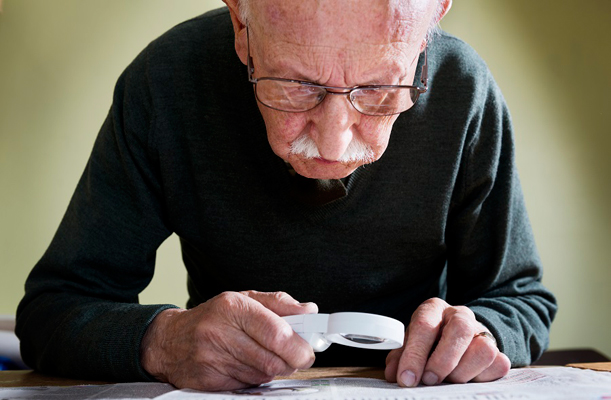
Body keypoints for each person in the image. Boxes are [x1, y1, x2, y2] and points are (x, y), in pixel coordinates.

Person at [16, 0, 557, 392]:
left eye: (378, 89)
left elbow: (522, 301)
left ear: (431, 23)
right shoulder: (167, 81)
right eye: (298, 86)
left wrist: (481, 332)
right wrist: (165, 340)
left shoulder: (463, 89)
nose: (334, 141)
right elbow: (51, 312)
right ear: (241, 28)